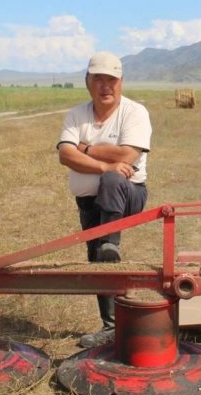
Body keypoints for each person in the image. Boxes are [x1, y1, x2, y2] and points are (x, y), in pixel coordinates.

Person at [56, 51, 151, 348]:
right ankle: (111, 326)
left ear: (121, 82)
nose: (105, 85)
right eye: (98, 79)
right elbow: (64, 155)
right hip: (89, 203)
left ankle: (111, 242)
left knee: (113, 181)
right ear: (87, 82)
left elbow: (127, 156)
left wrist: (85, 150)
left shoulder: (135, 112)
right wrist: (103, 163)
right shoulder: (76, 115)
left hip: (128, 194)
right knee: (97, 261)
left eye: (111, 79)